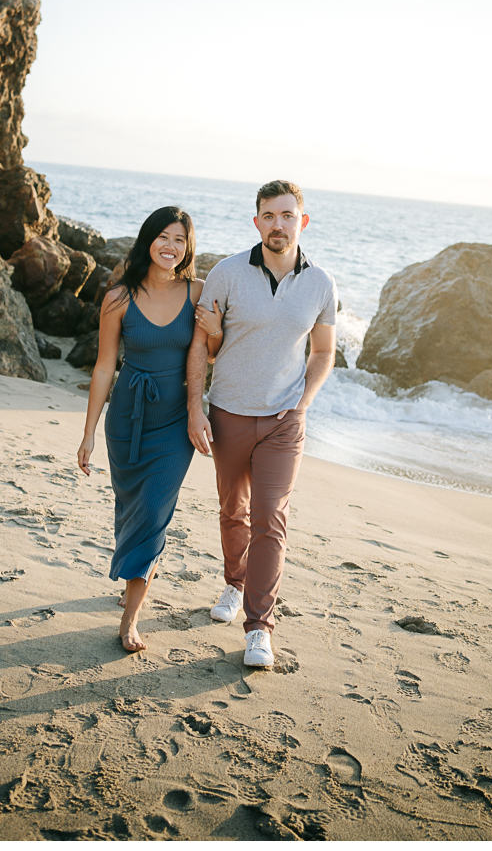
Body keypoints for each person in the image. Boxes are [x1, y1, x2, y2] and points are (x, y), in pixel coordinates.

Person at [186, 180, 337, 668]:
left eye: (287, 215)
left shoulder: (322, 284)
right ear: (257, 222)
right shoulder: (226, 274)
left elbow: (323, 352)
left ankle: (259, 628)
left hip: (283, 422)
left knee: (269, 519)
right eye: (269, 215)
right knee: (234, 511)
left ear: (302, 221)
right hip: (228, 411)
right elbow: (203, 348)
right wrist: (195, 406)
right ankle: (234, 583)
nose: (278, 224)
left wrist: (302, 404)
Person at [77, 206, 222, 653]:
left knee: (155, 512)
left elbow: (211, 355)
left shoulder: (199, 291)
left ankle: (131, 618)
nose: (170, 246)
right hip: (127, 417)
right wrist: (89, 432)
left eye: (180, 239)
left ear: (188, 247)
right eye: (163, 236)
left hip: (175, 420)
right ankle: (132, 577)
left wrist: (215, 331)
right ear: (147, 241)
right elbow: (104, 368)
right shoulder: (119, 297)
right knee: (131, 506)